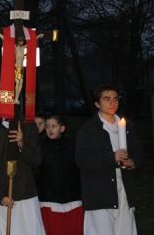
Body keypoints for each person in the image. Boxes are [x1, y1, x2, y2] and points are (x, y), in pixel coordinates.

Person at [75, 84, 144, 235]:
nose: (112, 103)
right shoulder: (88, 130)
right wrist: (111, 157)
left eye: (115, 99)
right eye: (107, 99)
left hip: (124, 195)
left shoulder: (127, 126)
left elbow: (139, 155)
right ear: (97, 103)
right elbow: (82, 160)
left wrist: (133, 163)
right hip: (100, 196)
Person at [0, 88, 45, 235]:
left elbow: (37, 160)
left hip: (25, 195)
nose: (10, 98)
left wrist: (22, 144)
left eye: (14, 94)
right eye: (5, 94)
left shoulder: (27, 124)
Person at [36, 115, 83, 235]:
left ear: (62, 128)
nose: (50, 129)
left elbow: (78, 167)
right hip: (49, 198)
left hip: (72, 197)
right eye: (47, 126)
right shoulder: (40, 145)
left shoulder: (72, 144)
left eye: (53, 126)